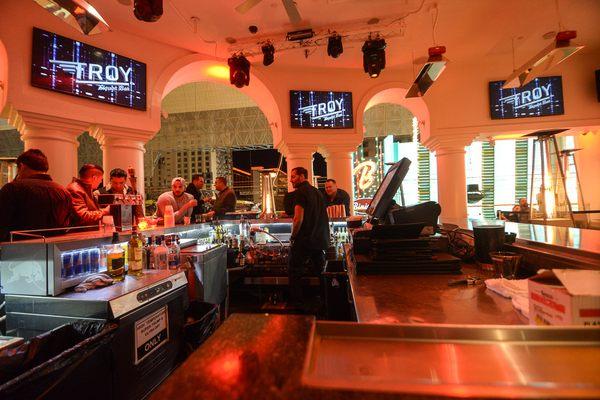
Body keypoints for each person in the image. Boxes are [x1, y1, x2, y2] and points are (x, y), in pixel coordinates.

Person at [0, 149, 73, 241]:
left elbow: (2, 223)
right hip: (53, 249)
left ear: (22, 166)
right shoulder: (64, 191)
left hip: (18, 250)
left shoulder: (12, 188)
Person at [288, 167, 329, 306]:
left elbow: (298, 219)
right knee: (321, 273)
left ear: (301, 176)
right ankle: (325, 301)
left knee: (295, 272)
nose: (291, 180)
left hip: (305, 240)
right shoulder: (317, 192)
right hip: (319, 239)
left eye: (293, 177)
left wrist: (293, 236)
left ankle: (298, 305)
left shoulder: (300, 193)